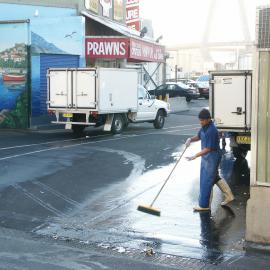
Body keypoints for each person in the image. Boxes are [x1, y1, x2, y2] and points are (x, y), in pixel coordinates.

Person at [185, 109, 234, 211]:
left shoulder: (212, 130)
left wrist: (195, 156)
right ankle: (229, 196)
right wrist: (190, 139)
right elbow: (199, 136)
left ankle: (205, 205)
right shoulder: (204, 127)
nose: (200, 122)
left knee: (207, 180)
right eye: (200, 120)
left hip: (212, 157)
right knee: (214, 177)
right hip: (207, 157)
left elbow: (208, 148)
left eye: (202, 120)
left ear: (208, 119)